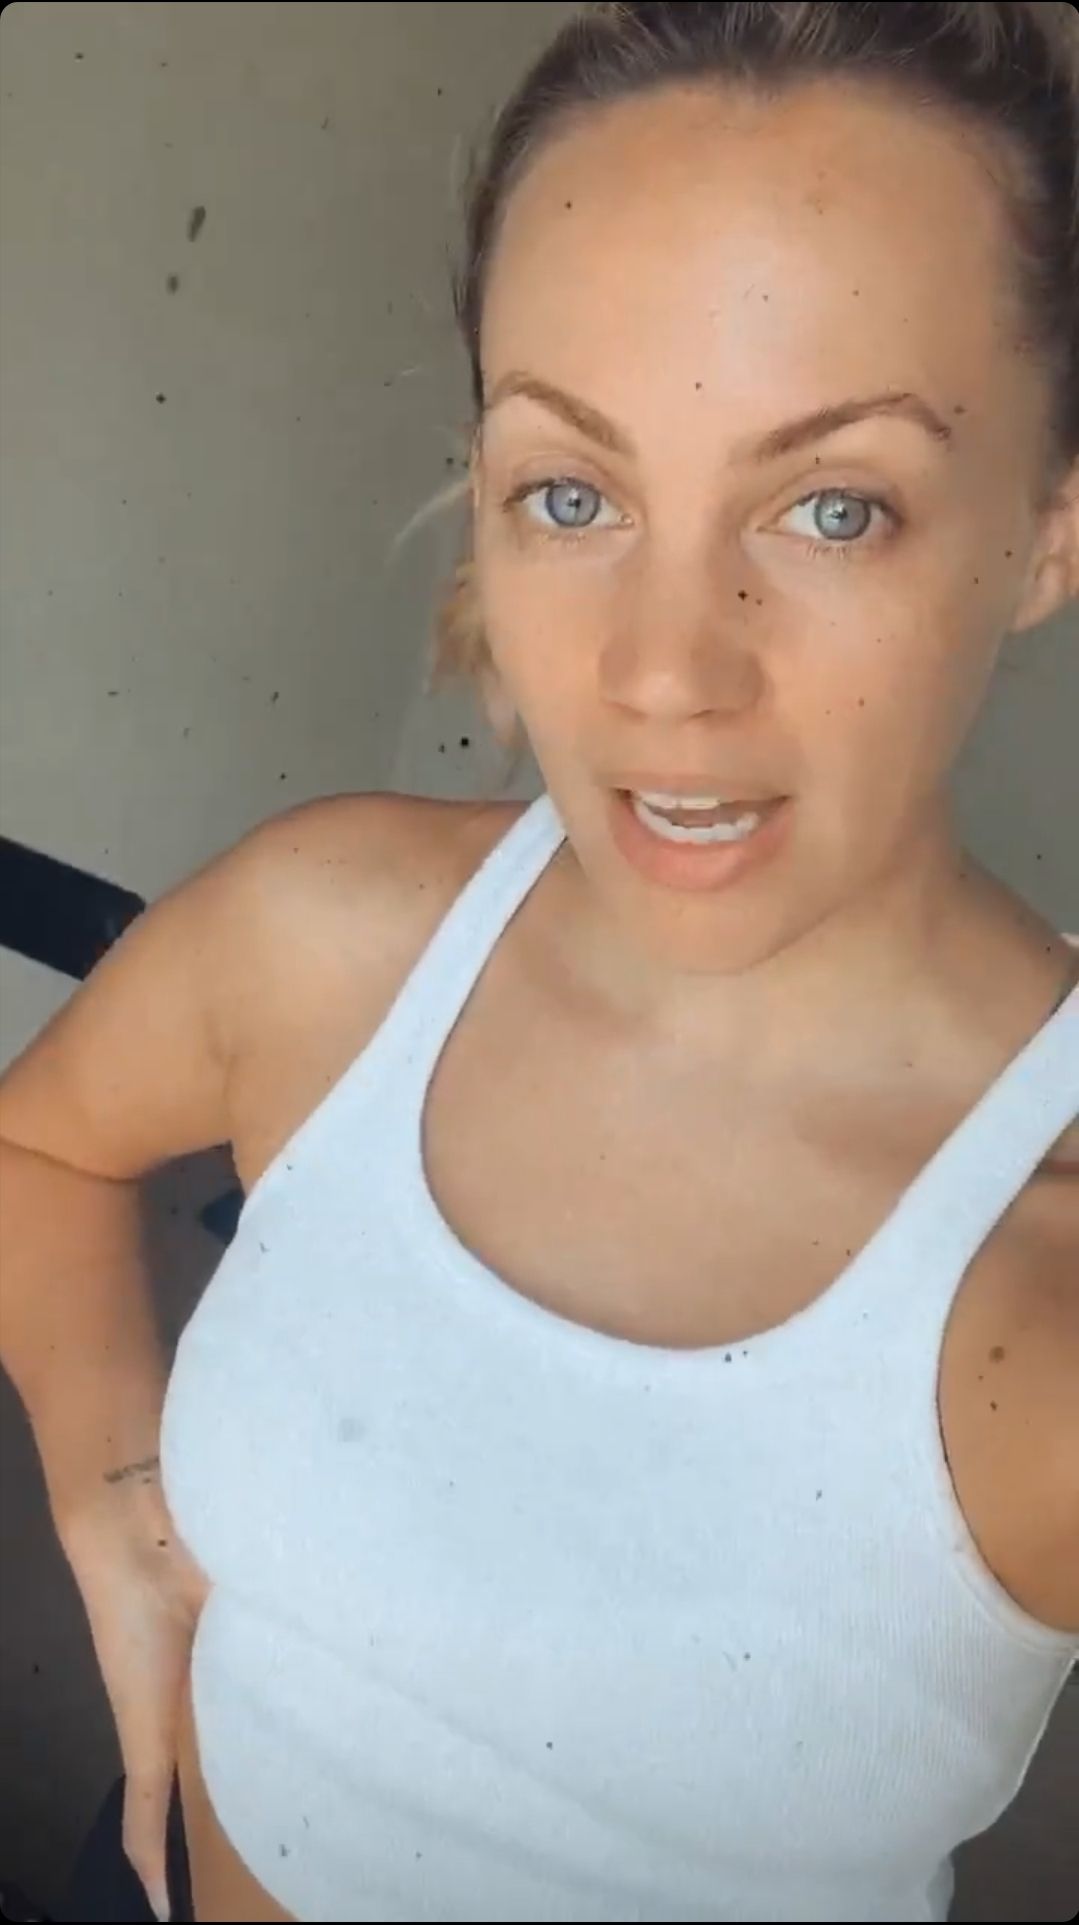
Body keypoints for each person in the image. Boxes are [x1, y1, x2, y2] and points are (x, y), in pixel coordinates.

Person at [2, 2, 1078, 1920]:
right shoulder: (327, 939)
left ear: (1051, 532)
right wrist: (116, 1517)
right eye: (571, 495)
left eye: (835, 506)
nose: (663, 672)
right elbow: (42, 1145)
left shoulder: (1045, 1282)